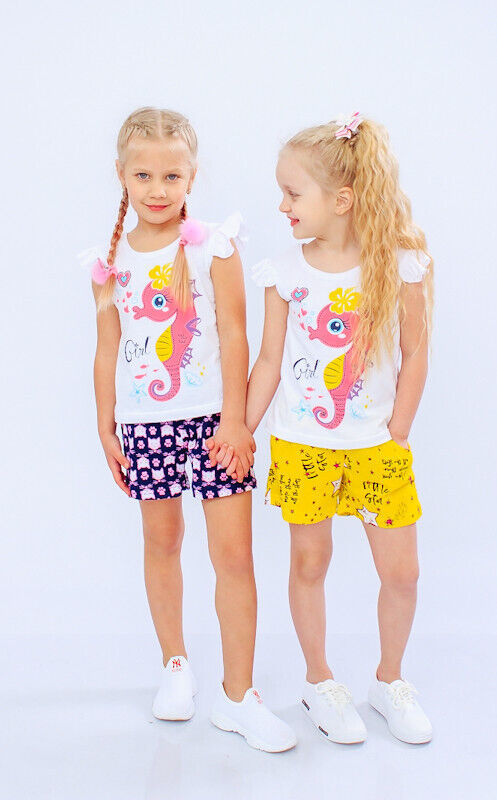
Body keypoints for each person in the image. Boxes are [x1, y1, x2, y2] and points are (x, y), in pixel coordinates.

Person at [211, 111, 434, 745]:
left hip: (377, 451)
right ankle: (319, 680)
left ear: (341, 199)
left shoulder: (402, 265)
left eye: (292, 193)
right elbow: (269, 361)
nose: (282, 206)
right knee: (310, 563)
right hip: (304, 446)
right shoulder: (285, 272)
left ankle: (389, 680)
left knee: (402, 573)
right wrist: (241, 427)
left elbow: (415, 353)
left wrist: (398, 431)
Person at [79, 106, 296, 753]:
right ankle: (174, 664)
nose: (157, 189)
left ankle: (238, 694)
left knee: (234, 556)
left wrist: (234, 420)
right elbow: (106, 349)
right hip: (143, 427)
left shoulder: (211, 246)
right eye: (143, 175)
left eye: (171, 175)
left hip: (213, 425)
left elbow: (235, 334)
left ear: (191, 176)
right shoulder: (109, 261)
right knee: (162, 542)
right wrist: (105, 426)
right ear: (121, 175)